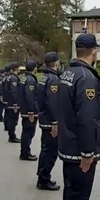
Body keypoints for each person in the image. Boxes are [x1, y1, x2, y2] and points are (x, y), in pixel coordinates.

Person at [58, 34, 100, 200]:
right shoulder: (86, 77)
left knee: (72, 188)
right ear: (94, 51)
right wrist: (88, 152)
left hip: (68, 142)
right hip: (80, 148)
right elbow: (87, 118)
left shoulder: (68, 72)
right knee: (79, 191)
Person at [36, 52, 62, 191]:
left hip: (44, 118)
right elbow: (53, 102)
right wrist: (55, 122)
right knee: (51, 151)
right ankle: (44, 179)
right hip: (50, 121)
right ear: (56, 63)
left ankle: (42, 176)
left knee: (45, 150)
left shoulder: (44, 77)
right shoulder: (53, 79)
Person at [19, 60, 39, 160]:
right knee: (28, 133)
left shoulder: (24, 78)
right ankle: (25, 153)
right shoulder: (30, 80)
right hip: (29, 112)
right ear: (34, 68)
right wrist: (31, 111)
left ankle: (24, 152)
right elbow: (30, 96)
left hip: (24, 110)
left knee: (26, 132)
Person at [2, 63, 21, 142]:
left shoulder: (8, 77)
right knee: (13, 120)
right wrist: (15, 103)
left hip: (8, 101)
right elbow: (14, 91)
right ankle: (12, 136)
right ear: (16, 69)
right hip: (12, 102)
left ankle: (11, 134)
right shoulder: (13, 78)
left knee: (10, 118)